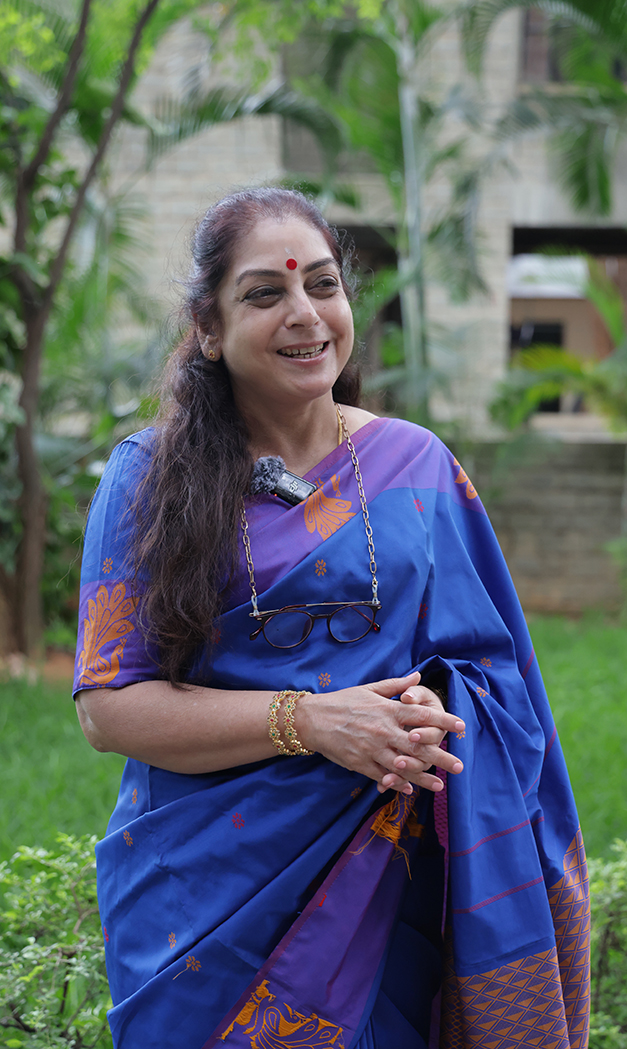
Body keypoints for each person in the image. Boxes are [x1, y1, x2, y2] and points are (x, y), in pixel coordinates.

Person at [74, 187, 590, 1049]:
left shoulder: (416, 466)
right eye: (265, 293)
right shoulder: (148, 479)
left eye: (323, 284)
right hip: (204, 904)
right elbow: (108, 707)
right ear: (208, 328)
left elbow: (496, 678)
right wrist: (310, 720)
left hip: (389, 883)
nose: (305, 314)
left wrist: (436, 704)